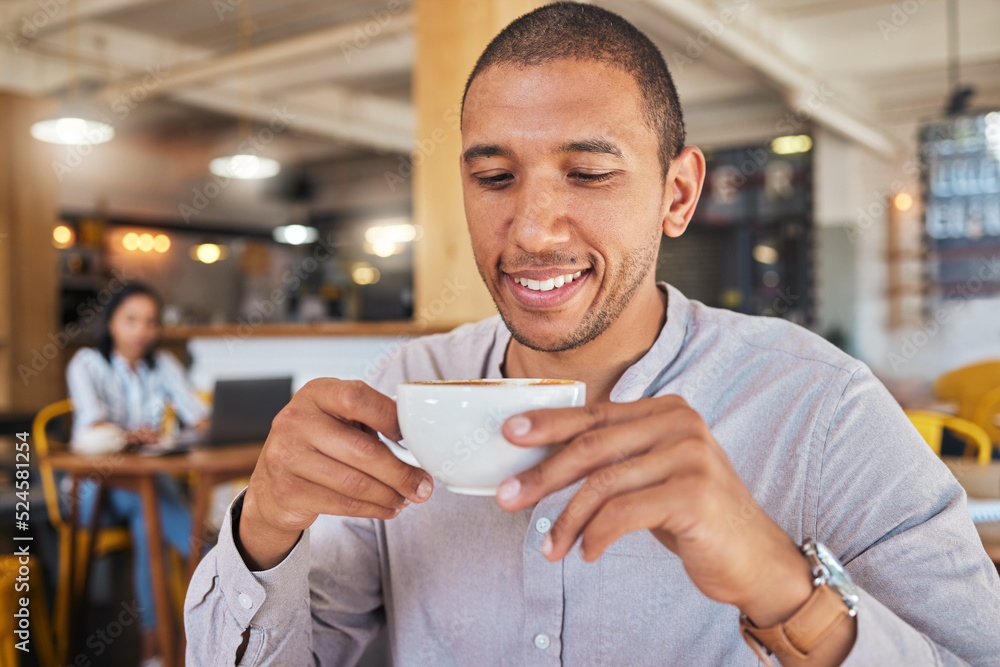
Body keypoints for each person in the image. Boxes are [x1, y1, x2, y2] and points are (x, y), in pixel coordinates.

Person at [184, 4, 1000, 666]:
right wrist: (262, 533)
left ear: (677, 195)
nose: (533, 230)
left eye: (590, 173)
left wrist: (786, 588)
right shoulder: (405, 396)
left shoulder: (820, 408)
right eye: (494, 177)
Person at [67, 282, 210, 667]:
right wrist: (131, 436)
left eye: (150, 322)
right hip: (92, 494)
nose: (142, 331)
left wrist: (210, 424)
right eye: (131, 320)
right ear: (111, 322)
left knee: (147, 515)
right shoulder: (86, 363)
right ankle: (212, 558)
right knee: (144, 497)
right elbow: (92, 425)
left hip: (144, 492)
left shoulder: (163, 365)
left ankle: (154, 648)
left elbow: (199, 416)